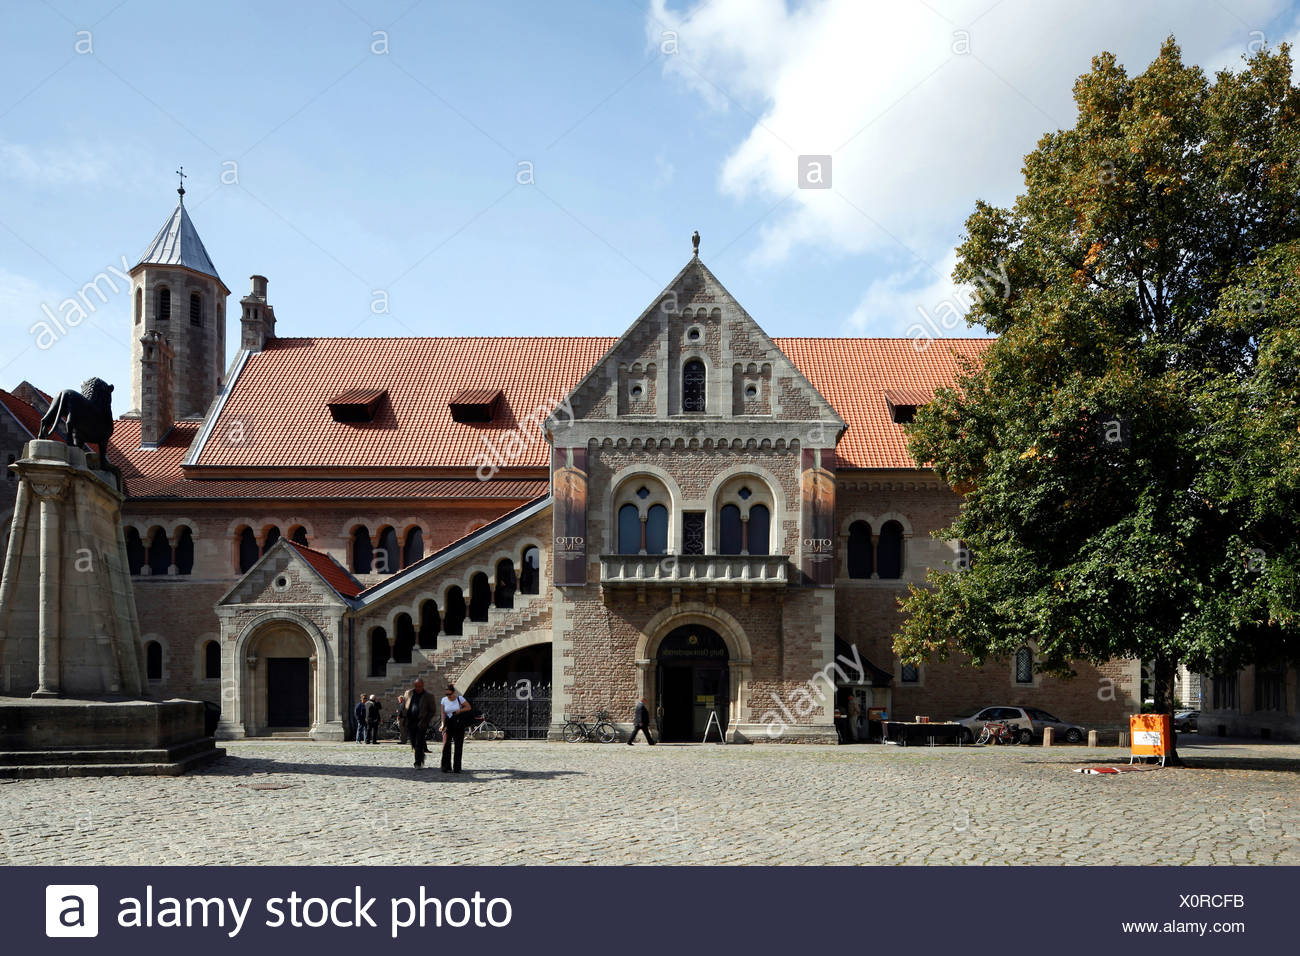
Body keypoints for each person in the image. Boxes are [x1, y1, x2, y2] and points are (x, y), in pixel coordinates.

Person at [398, 678, 438, 769]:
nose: (418, 688)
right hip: (410, 721)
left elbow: (432, 711)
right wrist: (402, 714)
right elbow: (404, 705)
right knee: (413, 741)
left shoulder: (428, 696)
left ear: (423, 686)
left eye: (419, 686)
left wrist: (426, 721)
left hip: (421, 722)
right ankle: (420, 756)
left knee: (419, 742)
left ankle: (418, 762)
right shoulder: (409, 693)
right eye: (416, 686)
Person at [440, 684, 471, 773]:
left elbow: (468, 707)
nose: (448, 696)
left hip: (458, 723)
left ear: (454, 693)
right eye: (447, 694)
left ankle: (457, 767)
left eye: (450, 694)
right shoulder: (444, 700)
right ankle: (446, 766)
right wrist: (442, 724)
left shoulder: (460, 699)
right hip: (448, 723)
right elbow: (443, 713)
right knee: (446, 745)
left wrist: (460, 710)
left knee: (458, 745)